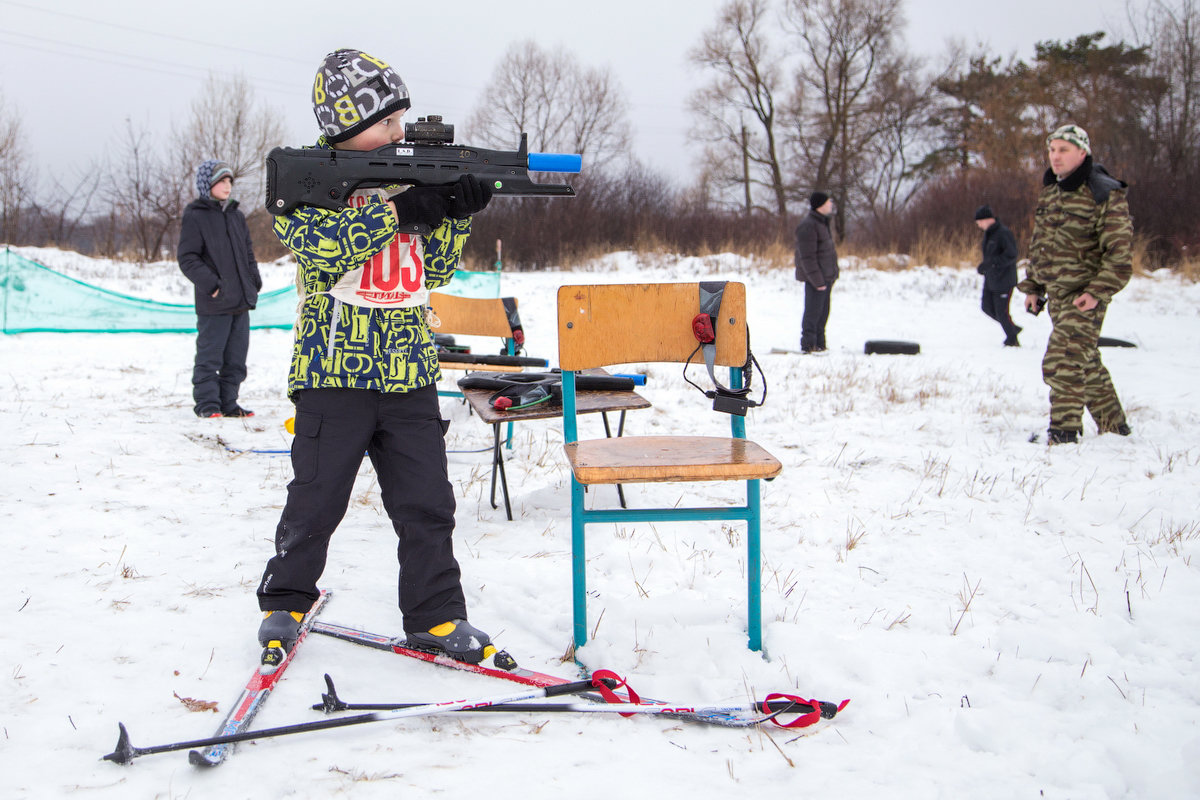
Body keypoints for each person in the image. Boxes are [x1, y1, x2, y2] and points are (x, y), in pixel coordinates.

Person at [255, 48, 497, 665]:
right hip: (332, 371)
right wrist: (399, 210)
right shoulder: (307, 181)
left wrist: (453, 214)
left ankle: (437, 617)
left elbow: (433, 270)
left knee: (427, 502)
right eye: (386, 122)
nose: (399, 134)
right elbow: (323, 252)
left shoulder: (411, 179)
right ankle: (285, 602)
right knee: (315, 497)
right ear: (342, 123)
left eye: (401, 120)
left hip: (410, 370)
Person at [1018, 124, 1133, 445]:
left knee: (1063, 362)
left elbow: (1120, 256)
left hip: (1086, 296)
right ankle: (1116, 428)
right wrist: (1034, 287)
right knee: (1086, 361)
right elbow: (1042, 245)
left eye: (1063, 150)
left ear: (1082, 152)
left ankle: (1064, 435)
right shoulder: (1052, 191)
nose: (1055, 156)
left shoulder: (1104, 193)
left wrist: (1097, 292)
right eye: (1052, 150)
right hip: (1057, 295)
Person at [177, 159, 261, 418]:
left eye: (229, 181)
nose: (227, 186)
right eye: (221, 181)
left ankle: (228, 403)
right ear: (207, 185)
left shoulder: (235, 215)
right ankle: (207, 405)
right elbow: (188, 258)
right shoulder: (195, 215)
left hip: (240, 300)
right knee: (210, 356)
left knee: (236, 358)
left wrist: (253, 280)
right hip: (215, 302)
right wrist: (213, 286)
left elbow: (247, 253)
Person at [794, 190, 839, 353]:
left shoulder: (822, 223)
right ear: (820, 205)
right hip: (816, 279)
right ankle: (808, 345)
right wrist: (817, 281)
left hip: (826, 277)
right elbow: (807, 257)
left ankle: (820, 345)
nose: (831, 204)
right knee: (812, 314)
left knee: (823, 313)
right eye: (828, 202)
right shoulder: (808, 225)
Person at [973, 205, 1022, 346]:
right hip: (991, 279)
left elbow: (1011, 255)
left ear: (987, 219)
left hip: (1004, 279)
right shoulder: (989, 234)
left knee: (1002, 312)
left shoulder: (1003, 233)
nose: (978, 225)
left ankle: (1012, 339)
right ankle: (1012, 328)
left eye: (979, 222)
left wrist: (992, 264)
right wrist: (985, 267)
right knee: (986, 307)